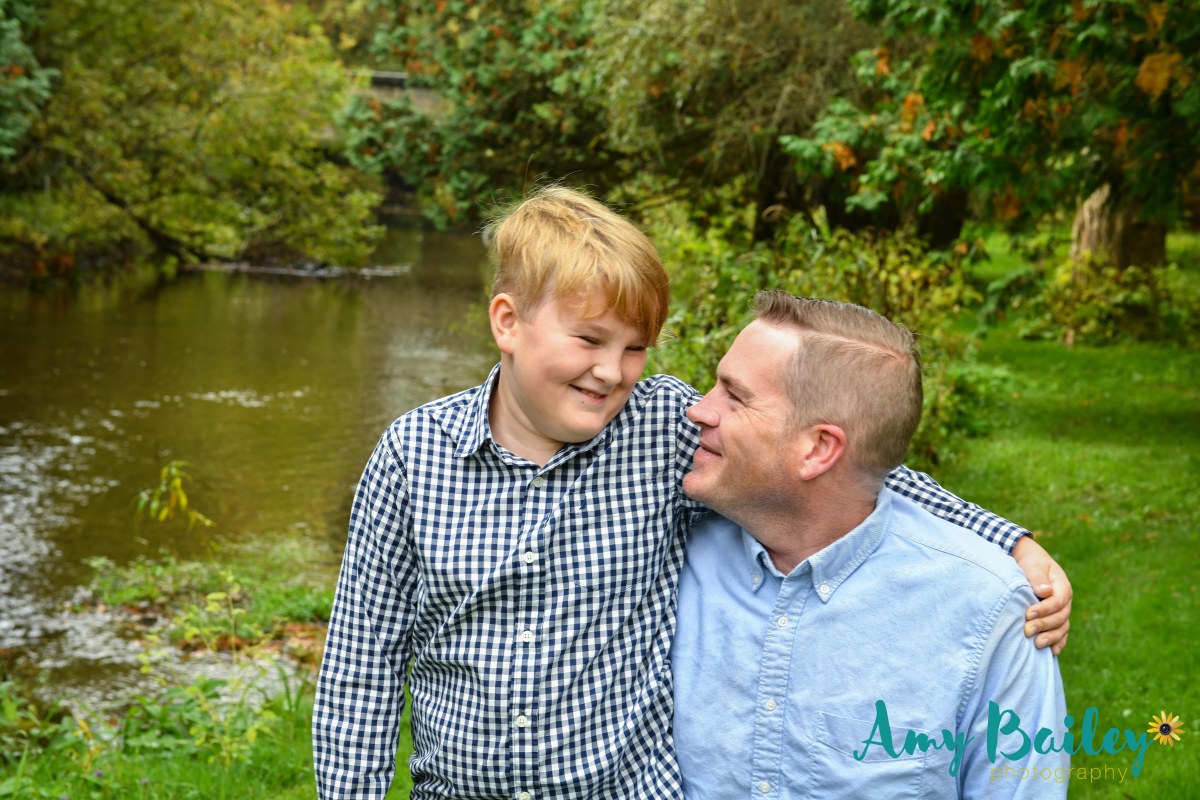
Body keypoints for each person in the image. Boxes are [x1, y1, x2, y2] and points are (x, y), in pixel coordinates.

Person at [312, 187, 1071, 799]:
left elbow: (859, 465)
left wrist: (1009, 539)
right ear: (507, 322)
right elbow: (361, 666)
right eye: (589, 340)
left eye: (635, 348)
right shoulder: (413, 456)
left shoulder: (656, 431)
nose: (612, 371)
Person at [672, 291, 1069, 798]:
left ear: (818, 449)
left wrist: (1012, 547)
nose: (697, 410)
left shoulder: (989, 614)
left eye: (736, 396)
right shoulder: (666, 552)